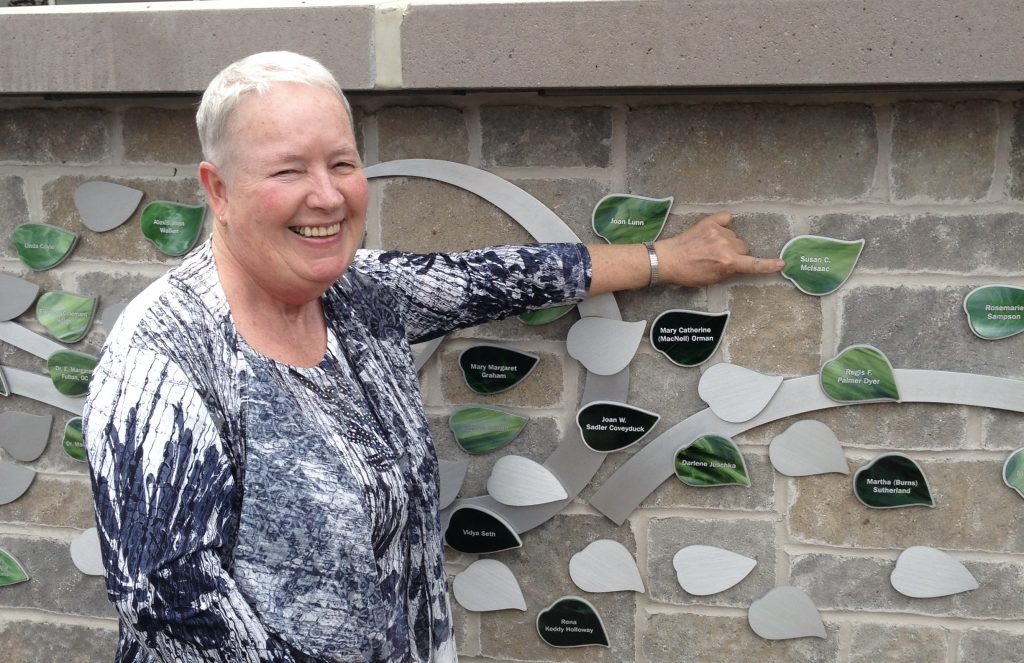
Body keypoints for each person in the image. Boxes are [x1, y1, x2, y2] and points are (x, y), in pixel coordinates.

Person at [83, 51, 782, 663]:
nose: (326, 195)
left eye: (343, 163)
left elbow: (491, 278)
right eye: (288, 169)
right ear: (218, 190)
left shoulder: (358, 292)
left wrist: (662, 258)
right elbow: (169, 603)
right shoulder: (164, 359)